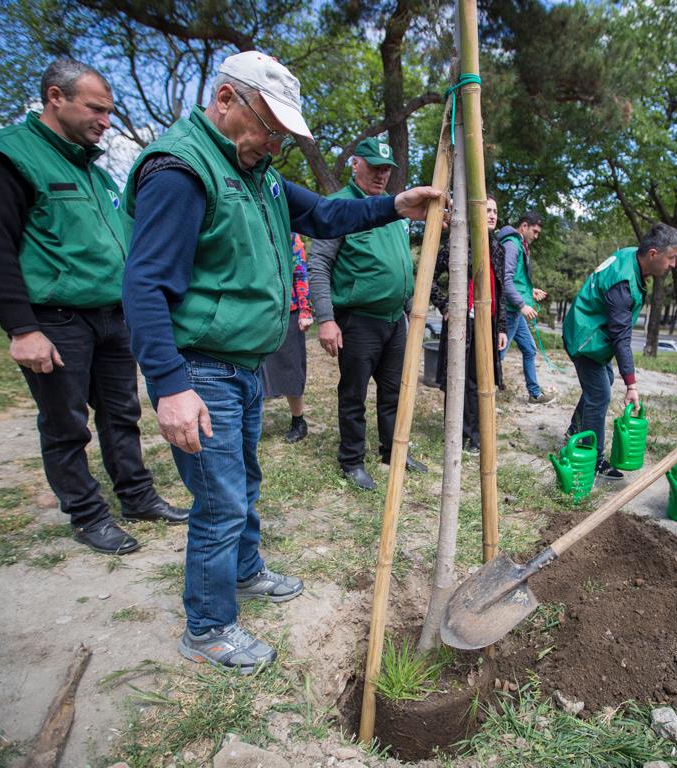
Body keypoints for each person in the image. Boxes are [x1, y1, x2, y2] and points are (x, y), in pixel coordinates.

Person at [121, 51, 440, 672]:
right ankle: (208, 627)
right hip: (201, 369)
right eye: (269, 127)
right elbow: (144, 284)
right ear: (225, 100)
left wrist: (394, 205)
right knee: (220, 500)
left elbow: (323, 213)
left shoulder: (257, 172)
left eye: (282, 135)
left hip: (242, 365)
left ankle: (243, 571)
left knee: (242, 481)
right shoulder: (180, 171)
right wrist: (169, 385)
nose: (275, 144)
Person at [0, 58, 188, 558]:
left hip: (112, 315)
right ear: (55, 97)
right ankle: (87, 514)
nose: (106, 121)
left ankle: (137, 496)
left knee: (122, 413)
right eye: (96, 109)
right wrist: (21, 328)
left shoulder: (96, 175)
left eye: (110, 111)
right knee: (65, 421)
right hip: (55, 318)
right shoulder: (0, 155)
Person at [309, 138, 429, 492]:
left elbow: (401, 265)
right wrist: (326, 319)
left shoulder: (394, 209)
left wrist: (411, 310)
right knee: (354, 394)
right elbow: (318, 264)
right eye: (374, 167)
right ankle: (351, 460)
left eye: (386, 169)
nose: (381, 175)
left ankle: (393, 450)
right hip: (358, 319)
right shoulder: (338, 206)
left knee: (395, 391)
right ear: (355, 164)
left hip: (395, 319)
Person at [562, 224, 677, 479]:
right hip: (585, 338)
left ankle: (575, 430)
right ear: (653, 254)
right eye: (671, 257)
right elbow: (621, 337)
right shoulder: (623, 284)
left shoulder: (632, 255)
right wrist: (631, 385)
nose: (673, 265)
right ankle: (593, 458)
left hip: (591, 332)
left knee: (602, 382)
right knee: (600, 394)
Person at [430, 195, 508, 454]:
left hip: (487, 324)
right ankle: (458, 434)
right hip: (461, 323)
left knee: (480, 380)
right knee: (457, 379)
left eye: (495, 211)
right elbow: (429, 276)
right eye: (487, 210)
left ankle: (475, 436)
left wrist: (501, 327)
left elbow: (501, 291)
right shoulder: (458, 242)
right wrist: (445, 305)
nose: (492, 215)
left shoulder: (497, 248)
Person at [498, 212, 556, 404]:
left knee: (530, 349)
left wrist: (530, 292)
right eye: (535, 231)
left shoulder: (521, 245)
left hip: (515, 310)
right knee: (498, 354)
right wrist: (522, 305)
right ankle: (482, 392)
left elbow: (517, 280)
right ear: (524, 226)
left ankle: (534, 393)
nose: (536, 236)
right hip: (510, 311)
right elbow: (505, 280)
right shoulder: (512, 245)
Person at [263, 233, 312, 443]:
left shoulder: (290, 235)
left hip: (288, 310)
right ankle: (250, 421)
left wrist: (305, 309)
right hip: (257, 311)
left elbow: (300, 271)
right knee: (255, 370)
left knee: (292, 367)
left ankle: (298, 420)